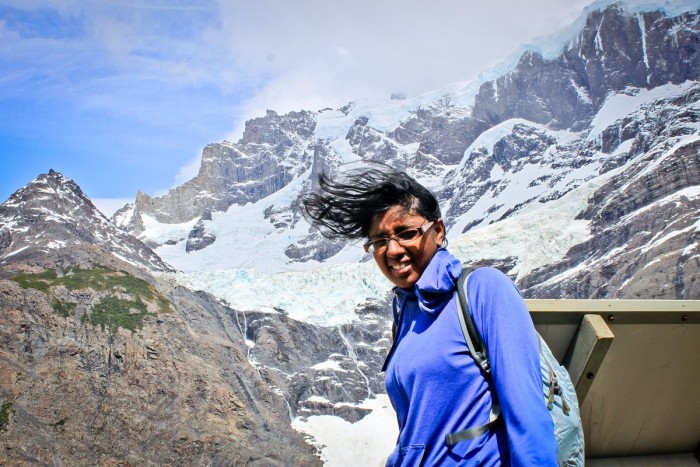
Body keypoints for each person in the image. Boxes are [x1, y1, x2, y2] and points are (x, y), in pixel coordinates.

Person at [300, 163, 558, 466]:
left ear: (438, 231)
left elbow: (528, 417)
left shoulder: (483, 290)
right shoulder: (407, 312)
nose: (393, 250)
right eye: (380, 241)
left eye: (406, 233)